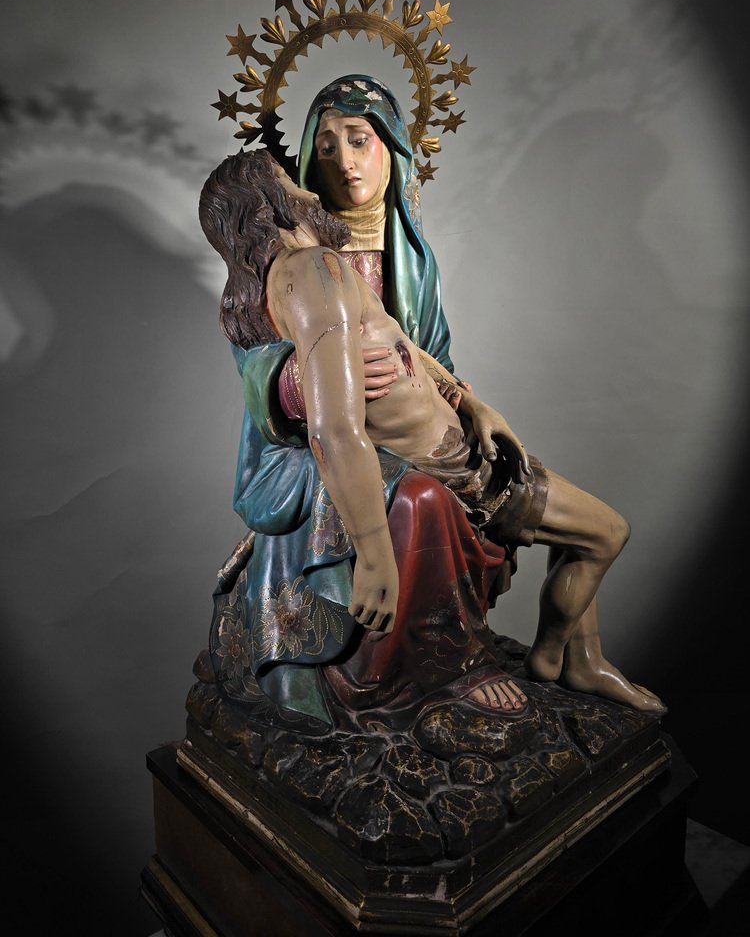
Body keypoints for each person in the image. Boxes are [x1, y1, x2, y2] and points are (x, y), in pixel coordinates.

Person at [199, 149, 666, 728]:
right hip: (451, 469)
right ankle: (553, 659)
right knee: (604, 532)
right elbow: (333, 427)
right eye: (290, 186)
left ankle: (581, 660)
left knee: (595, 534)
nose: (311, 193)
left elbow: (405, 348)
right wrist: (374, 554)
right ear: (269, 208)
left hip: (468, 453)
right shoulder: (311, 272)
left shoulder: (310, 272)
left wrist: (472, 402)